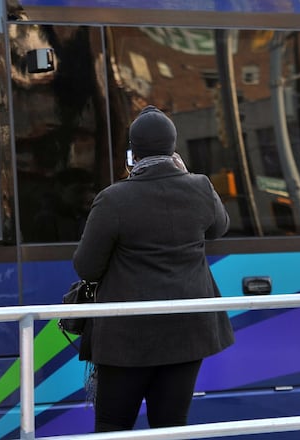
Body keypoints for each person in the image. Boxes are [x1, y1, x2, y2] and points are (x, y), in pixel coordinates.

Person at [72, 105, 235, 432]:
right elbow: (219, 227)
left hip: (126, 339)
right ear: (173, 149)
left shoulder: (113, 199)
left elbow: (86, 267)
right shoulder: (199, 186)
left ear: (133, 153)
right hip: (187, 333)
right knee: (172, 425)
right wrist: (186, 175)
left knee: (113, 425)